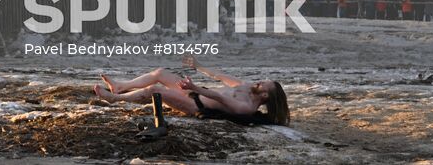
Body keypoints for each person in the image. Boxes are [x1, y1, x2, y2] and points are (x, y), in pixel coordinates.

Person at [94, 56, 290, 126]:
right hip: (197, 92)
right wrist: (199, 66)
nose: (261, 81)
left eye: (265, 84)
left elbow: (219, 97)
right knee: (160, 73)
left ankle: (115, 98)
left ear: (265, 96)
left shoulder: (246, 107)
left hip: (195, 104)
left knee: (155, 90)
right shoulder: (246, 87)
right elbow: (220, 76)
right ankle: (121, 86)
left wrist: (194, 88)